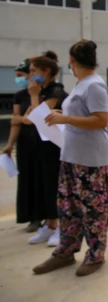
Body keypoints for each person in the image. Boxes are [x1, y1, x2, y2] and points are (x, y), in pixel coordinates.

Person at [33, 40, 108, 277]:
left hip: (92, 159)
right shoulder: (79, 85)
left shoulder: (95, 86)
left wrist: (66, 119)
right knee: (68, 207)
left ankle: (95, 255)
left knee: (93, 210)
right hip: (70, 156)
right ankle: (65, 251)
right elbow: (79, 115)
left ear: (72, 61)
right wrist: (62, 114)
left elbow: (101, 120)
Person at [26, 51, 68, 246]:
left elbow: (39, 118)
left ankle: (60, 226)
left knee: (55, 186)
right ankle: (50, 224)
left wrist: (34, 98)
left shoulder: (56, 91)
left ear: (47, 71)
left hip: (55, 146)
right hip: (40, 145)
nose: (31, 74)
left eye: (35, 71)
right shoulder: (43, 92)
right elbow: (28, 118)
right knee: (43, 185)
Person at [2, 58, 41, 233]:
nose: (19, 79)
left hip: (41, 142)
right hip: (24, 143)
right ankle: (32, 217)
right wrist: (10, 143)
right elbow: (16, 120)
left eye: (21, 75)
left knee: (42, 180)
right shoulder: (19, 95)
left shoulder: (43, 93)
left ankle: (49, 217)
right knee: (27, 180)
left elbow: (37, 118)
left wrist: (26, 119)